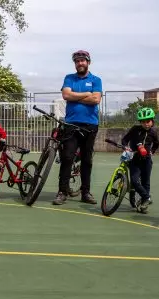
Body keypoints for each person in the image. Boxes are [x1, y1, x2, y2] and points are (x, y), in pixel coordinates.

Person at [53, 49, 103, 205]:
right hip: (71, 124)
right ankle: (62, 191)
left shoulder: (96, 79)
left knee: (87, 160)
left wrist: (76, 97)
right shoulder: (69, 78)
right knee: (67, 157)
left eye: (82, 60)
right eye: (77, 61)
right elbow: (66, 95)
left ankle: (85, 192)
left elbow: (96, 99)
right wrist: (86, 94)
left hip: (90, 125)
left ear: (88, 62)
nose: (80, 63)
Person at [121, 107, 159, 213]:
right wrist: (125, 146)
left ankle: (144, 205)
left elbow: (157, 144)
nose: (146, 124)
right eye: (143, 122)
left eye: (148, 121)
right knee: (134, 180)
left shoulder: (153, 133)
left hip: (147, 160)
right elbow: (125, 139)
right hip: (134, 160)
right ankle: (147, 197)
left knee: (146, 182)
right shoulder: (135, 129)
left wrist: (152, 151)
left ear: (152, 121)